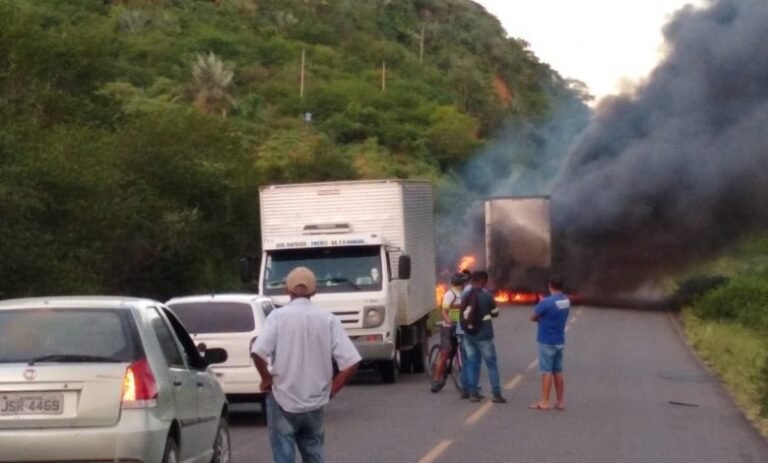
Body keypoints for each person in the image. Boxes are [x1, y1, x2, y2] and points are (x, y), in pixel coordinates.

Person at [251, 266, 362, 462]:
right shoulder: (328, 320)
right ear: (314, 292)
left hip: (282, 398)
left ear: (287, 291)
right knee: (314, 453)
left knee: (283, 455)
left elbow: (258, 352)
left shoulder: (277, 317)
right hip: (314, 401)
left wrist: (266, 379)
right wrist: (333, 388)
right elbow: (351, 362)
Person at [461, 270, 506, 403]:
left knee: (472, 363)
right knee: (491, 364)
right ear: (482, 281)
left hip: (468, 335)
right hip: (484, 335)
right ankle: (496, 394)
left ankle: (473, 393)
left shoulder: (466, 295)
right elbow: (495, 312)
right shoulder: (487, 296)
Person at [529, 274, 571, 411]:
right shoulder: (566, 300)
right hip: (559, 339)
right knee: (557, 371)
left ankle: (545, 401)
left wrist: (541, 317)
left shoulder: (546, 302)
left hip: (547, 340)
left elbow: (533, 317)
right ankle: (560, 401)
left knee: (546, 371)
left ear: (550, 286)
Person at [430, 272, 468, 393]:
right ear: (460, 283)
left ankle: (456, 374)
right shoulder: (449, 295)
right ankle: (436, 380)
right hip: (448, 326)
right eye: (463, 282)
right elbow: (444, 311)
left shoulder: (464, 294)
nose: (465, 284)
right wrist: (449, 321)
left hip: (460, 326)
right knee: (445, 352)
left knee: (461, 349)